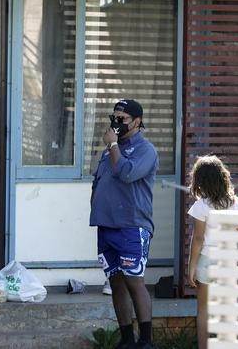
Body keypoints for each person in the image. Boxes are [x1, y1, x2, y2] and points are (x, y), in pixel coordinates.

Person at [90, 99, 159, 349]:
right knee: (116, 281)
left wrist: (113, 145)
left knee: (134, 281)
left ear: (137, 122)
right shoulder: (110, 150)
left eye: (122, 119)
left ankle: (146, 341)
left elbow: (127, 173)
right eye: (114, 117)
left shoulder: (145, 150)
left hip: (132, 225)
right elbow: (99, 181)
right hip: (106, 226)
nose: (116, 123)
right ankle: (127, 340)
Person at [187, 155, 238, 349]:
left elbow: (197, 239)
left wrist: (191, 267)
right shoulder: (235, 203)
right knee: (227, 309)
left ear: (200, 181)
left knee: (203, 309)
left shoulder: (201, 206)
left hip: (207, 261)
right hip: (228, 262)